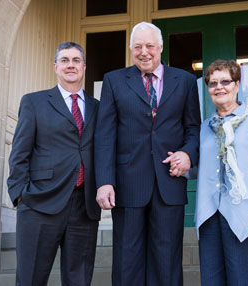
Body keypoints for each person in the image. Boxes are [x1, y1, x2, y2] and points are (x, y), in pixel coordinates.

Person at [94, 22, 201, 286]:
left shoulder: (186, 81)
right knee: (127, 261)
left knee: (167, 261)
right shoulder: (114, 80)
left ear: (161, 47)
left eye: (150, 46)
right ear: (131, 49)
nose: (144, 52)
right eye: (138, 47)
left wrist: (188, 155)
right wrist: (105, 181)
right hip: (127, 183)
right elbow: (105, 135)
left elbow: (194, 128)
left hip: (170, 183)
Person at [7, 42, 100, 285]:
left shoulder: (98, 108)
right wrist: (20, 194)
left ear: (84, 66)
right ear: (55, 67)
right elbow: (19, 153)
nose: (71, 65)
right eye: (65, 60)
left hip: (84, 206)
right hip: (40, 202)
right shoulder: (34, 102)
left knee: (79, 280)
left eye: (76, 60)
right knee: (31, 279)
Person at [192, 59, 248, 285]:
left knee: (242, 279)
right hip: (208, 214)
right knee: (211, 280)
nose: (219, 87)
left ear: (237, 85)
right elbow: (195, 169)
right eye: (212, 83)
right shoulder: (204, 127)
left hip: (241, 215)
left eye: (225, 81)